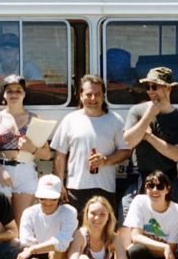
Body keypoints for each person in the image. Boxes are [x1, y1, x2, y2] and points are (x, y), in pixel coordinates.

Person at [50, 75, 131, 223]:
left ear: (103, 96)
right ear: (80, 95)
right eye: (88, 94)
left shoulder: (115, 120)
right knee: (77, 233)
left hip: (105, 187)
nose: (93, 98)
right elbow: (60, 154)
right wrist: (59, 183)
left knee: (104, 233)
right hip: (76, 188)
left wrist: (106, 160)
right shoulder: (70, 119)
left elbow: (126, 150)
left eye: (97, 94)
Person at [0, 74, 51, 227]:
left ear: (24, 94)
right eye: (9, 91)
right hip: (2, 170)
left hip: (26, 171)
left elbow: (46, 154)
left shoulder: (34, 118)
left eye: (18, 91)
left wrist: (32, 148)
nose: (14, 94)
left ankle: (18, 251)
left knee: (21, 223)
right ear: (4, 94)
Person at [121, 66, 178, 217]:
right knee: (128, 226)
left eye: (155, 86)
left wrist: (149, 137)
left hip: (166, 180)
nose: (150, 91)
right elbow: (129, 141)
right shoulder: (137, 111)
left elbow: (175, 154)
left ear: (168, 88)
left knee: (169, 228)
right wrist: (148, 116)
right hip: (138, 179)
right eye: (148, 87)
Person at [16, 175, 79, 259]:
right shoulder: (29, 212)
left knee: (56, 251)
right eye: (43, 198)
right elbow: (26, 242)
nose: (48, 202)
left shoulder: (69, 212)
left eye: (53, 198)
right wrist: (32, 258)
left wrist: (32, 251)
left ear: (60, 197)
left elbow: (61, 244)